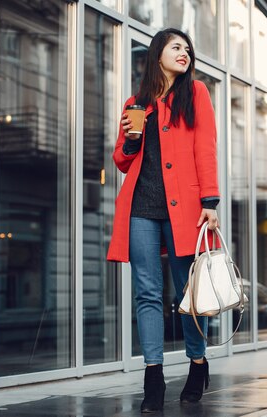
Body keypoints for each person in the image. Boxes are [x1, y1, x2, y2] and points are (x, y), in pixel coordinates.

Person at [106, 28, 220, 413]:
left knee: (186, 295)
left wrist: (210, 200)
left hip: (185, 207)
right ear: (158, 53)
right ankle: (152, 375)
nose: (184, 53)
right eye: (176, 47)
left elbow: (205, 148)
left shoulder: (196, 93)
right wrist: (131, 141)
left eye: (188, 49)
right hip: (142, 207)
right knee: (146, 293)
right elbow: (121, 160)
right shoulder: (136, 102)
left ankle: (197, 362)